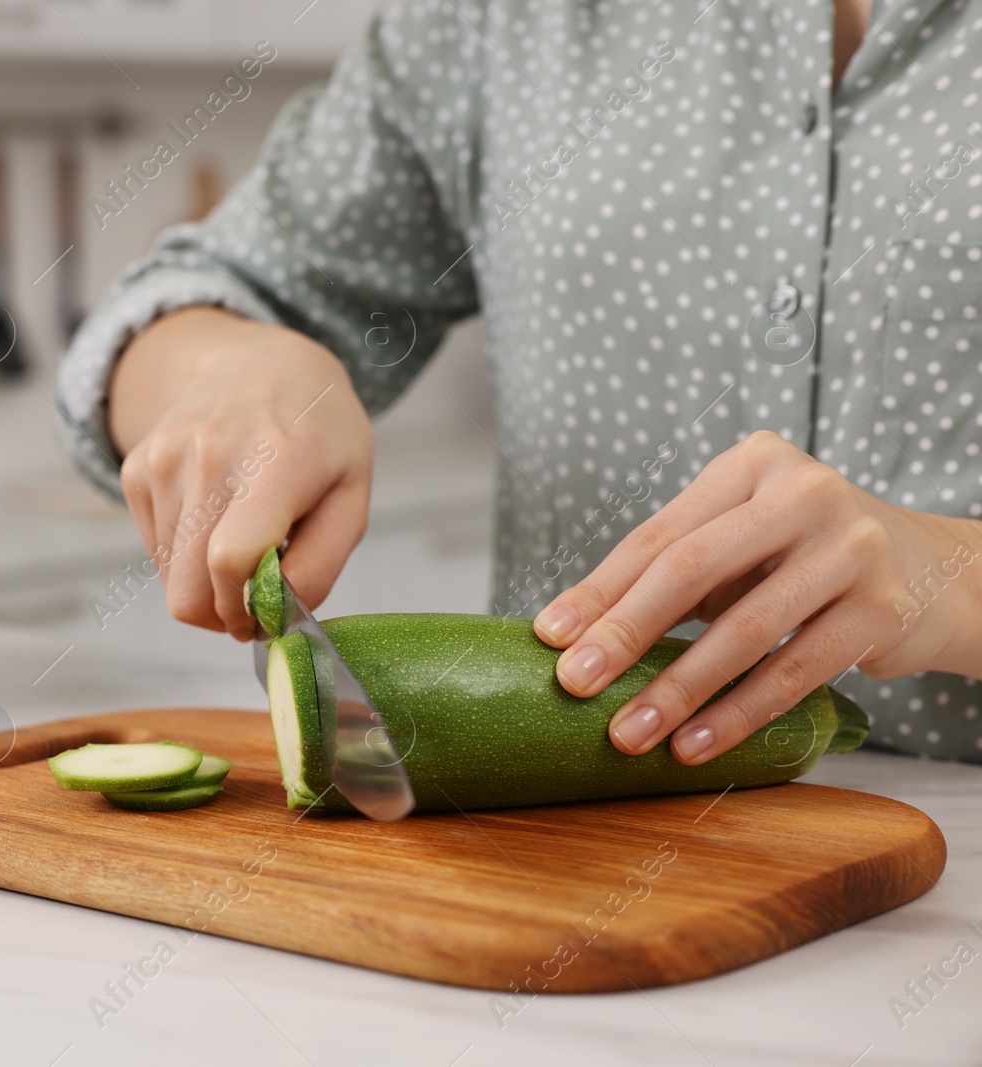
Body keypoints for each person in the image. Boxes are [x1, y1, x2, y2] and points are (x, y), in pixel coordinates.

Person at [57, 0, 982, 766]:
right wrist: (234, 362)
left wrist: (955, 580)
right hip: (547, 858)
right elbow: (179, 306)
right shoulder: (494, 19)